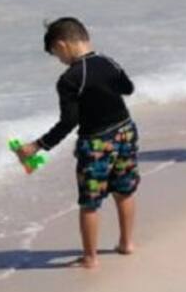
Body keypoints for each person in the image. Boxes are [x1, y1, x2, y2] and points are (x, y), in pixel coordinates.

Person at [12, 18, 138, 270]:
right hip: (126, 132)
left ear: (62, 45)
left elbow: (69, 121)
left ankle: (91, 257)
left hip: (97, 144)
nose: (60, 60)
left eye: (57, 54)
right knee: (124, 190)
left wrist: (37, 146)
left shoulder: (70, 79)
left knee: (89, 202)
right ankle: (126, 243)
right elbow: (128, 89)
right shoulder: (108, 62)